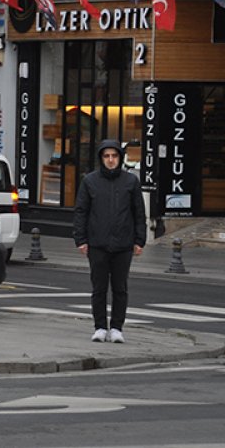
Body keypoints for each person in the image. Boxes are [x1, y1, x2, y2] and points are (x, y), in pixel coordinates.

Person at [74, 139, 146, 344]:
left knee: (120, 288)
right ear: (101, 159)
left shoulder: (131, 182)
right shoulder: (90, 181)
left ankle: (116, 327)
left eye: (114, 156)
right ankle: (99, 327)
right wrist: (81, 239)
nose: (111, 160)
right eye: (106, 156)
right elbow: (81, 212)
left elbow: (138, 212)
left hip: (123, 243)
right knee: (98, 288)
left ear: (120, 158)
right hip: (97, 243)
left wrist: (139, 240)